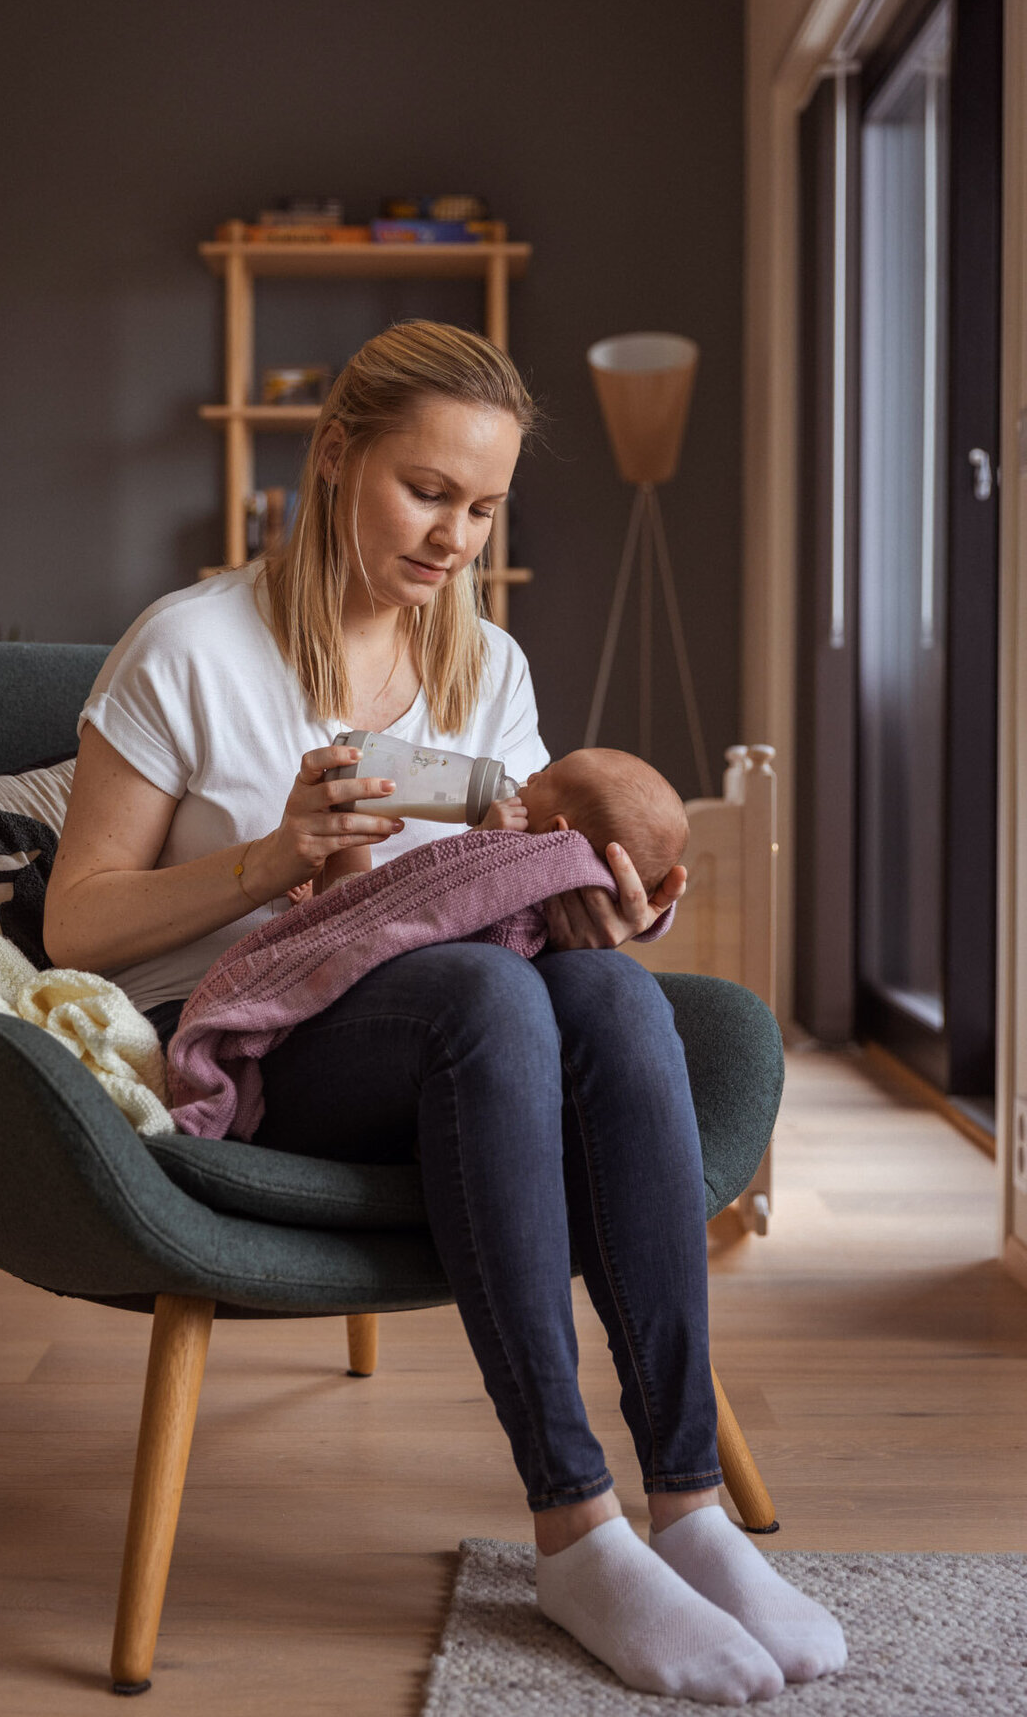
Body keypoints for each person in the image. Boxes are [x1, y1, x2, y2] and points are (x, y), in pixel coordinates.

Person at [43, 320, 845, 1705]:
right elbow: (77, 921)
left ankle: (691, 1504)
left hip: (460, 1029)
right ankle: (572, 1517)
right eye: (428, 491)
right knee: (489, 993)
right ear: (337, 453)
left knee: (596, 985)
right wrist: (270, 860)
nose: (455, 537)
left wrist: (599, 887)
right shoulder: (188, 647)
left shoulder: (490, 670)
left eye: (483, 508)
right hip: (266, 1037)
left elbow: (528, 856)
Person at [317, 745, 690, 899]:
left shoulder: (518, 868)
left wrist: (483, 839)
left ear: (557, 832)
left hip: (393, 936)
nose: (529, 779)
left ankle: (313, 912)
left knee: (348, 890)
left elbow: (440, 885)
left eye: (545, 779)